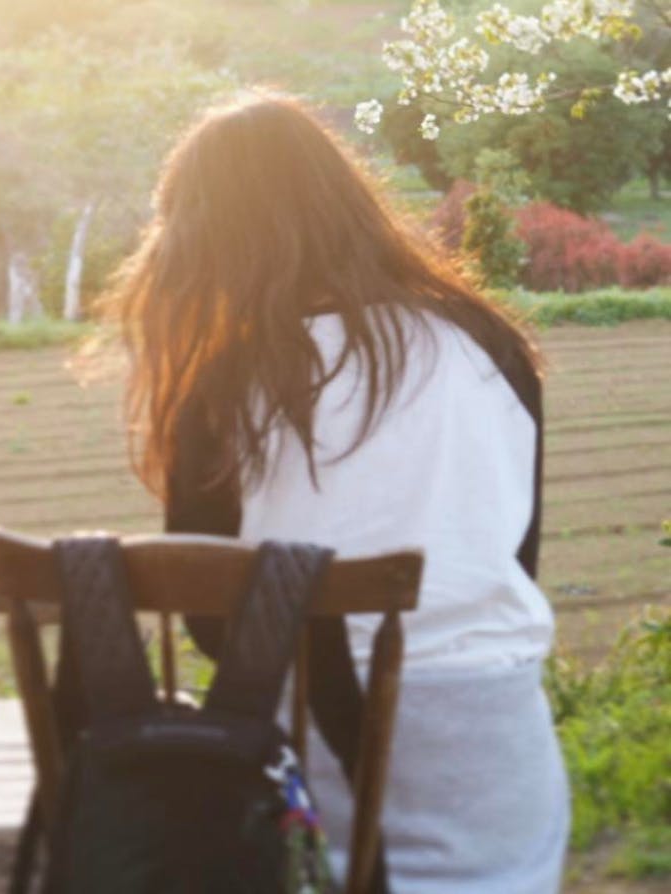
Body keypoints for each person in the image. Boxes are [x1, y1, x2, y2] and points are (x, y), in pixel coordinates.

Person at [103, 91, 568, 893]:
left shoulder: (230, 381)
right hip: (491, 731)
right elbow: (513, 553)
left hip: (306, 728)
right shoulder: (488, 341)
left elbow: (211, 615)